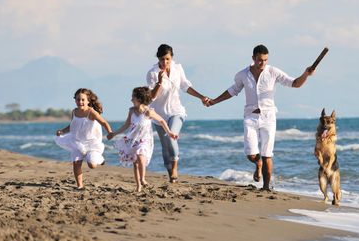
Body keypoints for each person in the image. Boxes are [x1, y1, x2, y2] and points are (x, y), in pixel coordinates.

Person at [206, 44, 314, 191]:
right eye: (259, 60)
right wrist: (214, 101)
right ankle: (257, 164)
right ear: (253, 58)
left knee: (267, 154)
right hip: (250, 117)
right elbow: (232, 91)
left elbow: (295, 83)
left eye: (265, 60)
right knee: (251, 154)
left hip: (268, 117)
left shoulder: (273, 72)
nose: (262, 63)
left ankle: (266, 187)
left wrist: (306, 74)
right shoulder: (242, 75)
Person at [147, 44, 209, 183]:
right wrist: (159, 82)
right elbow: (151, 97)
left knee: (171, 137)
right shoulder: (152, 73)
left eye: (168, 59)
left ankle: (175, 166)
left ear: (172, 57)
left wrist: (201, 97)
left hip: (176, 111)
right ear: (158, 58)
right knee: (165, 145)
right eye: (162, 59)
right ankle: (171, 175)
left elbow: (185, 86)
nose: (165, 62)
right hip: (159, 115)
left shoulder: (177, 68)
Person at [107, 87, 177, 192]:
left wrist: (169, 132)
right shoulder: (131, 111)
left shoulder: (148, 112)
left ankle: (143, 179)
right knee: (135, 163)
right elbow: (126, 125)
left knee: (140, 155)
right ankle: (138, 185)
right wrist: (114, 133)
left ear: (139, 99)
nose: (131, 99)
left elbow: (162, 121)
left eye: (133, 97)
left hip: (145, 140)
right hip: (133, 140)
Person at [55, 88, 113, 189]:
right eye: (78, 99)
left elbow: (104, 123)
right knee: (76, 163)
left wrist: (110, 133)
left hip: (91, 143)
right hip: (77, 141)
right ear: (75, 100)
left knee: (92, 165)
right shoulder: (74, 112)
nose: (80, 102)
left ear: (88, 101)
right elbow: (72, 126)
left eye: (82, 100)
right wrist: (62, 131)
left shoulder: (91, 112)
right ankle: (80, 186)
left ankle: (101, 159)